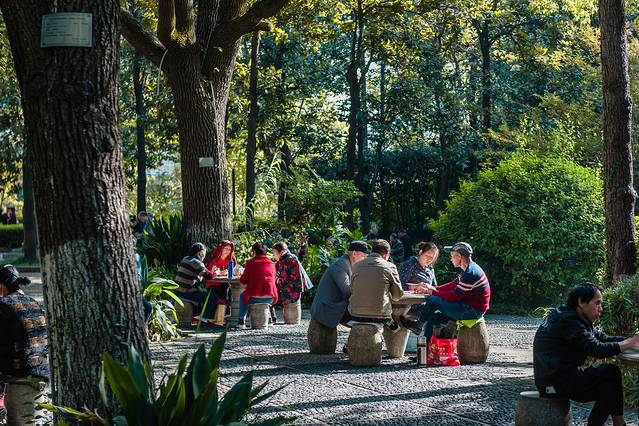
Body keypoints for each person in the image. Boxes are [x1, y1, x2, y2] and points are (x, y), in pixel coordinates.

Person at [533, 283, 639, 426]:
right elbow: (597, 349)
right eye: (597, 303)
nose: (600, 309)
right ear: (581, 302)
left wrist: (632, 341)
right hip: (553, 383)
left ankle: (617, 424)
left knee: (609, 388)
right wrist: (630, 343)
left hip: (561, 377)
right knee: (611, 371)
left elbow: (602, 338)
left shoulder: (573, 316)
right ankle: (619, 423)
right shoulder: (568, 321)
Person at [400, 242, 490, 340]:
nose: (451, 259)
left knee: (433, 300)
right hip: (468, 306)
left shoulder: (470, 273)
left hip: (472, 310)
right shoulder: (468, 269)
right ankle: (428, 350)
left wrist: (431, 292)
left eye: (452, 256)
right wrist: (433, 288)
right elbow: (452, 285)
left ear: (459, 256)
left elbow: (453, 296)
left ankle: (418, 325)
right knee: (434, 317)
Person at [0, 265, 49, 424]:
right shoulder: (33, 302)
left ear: (1, 286)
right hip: (41, 378)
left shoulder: (3, 306)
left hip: (19, 381)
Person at [310, 241, 370, 328]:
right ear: (354, 253)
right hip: (327, 308)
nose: (365, 259)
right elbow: (347, 292)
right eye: (364, 256)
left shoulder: (348, 264)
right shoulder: (341, 265)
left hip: (334, 304)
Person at [348, 239, 403, 331]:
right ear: (386, 254)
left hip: (355, 314)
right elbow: (397, 296)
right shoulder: (390, 267)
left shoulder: (356, 266)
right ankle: (391, 330)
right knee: (397, 328)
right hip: (380, 315)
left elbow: (352, 289)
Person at [174, 243, 218, 324]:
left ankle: (198, 316)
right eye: (204, 253)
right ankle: (204, 319)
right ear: (200, 253)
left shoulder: (186, 259)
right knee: (213, 297)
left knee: (202, 294)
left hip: (178, 292)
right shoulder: (197, 262)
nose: (204, 256)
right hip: (186, 293)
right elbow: (210, 276)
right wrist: (216, 272)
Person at [239, 242, 278, 327]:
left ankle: (241, 320)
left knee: (242, 296)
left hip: (255, 297)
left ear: (254, 252)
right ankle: (269, 318)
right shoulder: (272, 264)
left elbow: (243, 280)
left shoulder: (250, 263)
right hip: (270, 297)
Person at [272, 241, 312, 322]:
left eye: (275, 253)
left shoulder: (290, 258)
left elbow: (294, 276)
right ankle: (289, 320)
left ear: (282, 252)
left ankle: (292, 321)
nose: (274, 255)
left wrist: (280, 281)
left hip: (294, 285)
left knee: (292, 301)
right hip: (288, 284)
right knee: (286, 302)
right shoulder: (282, 259)